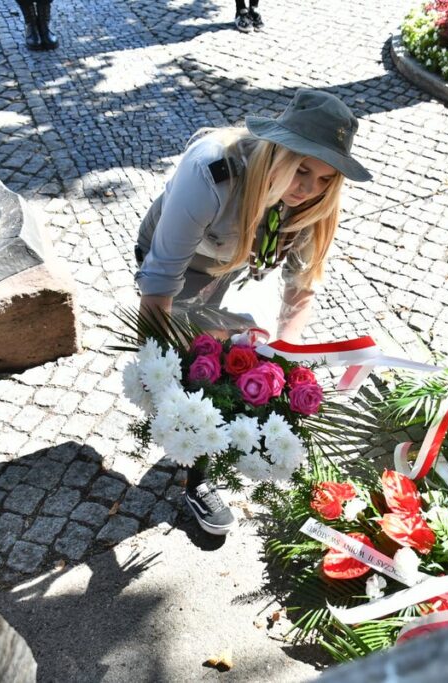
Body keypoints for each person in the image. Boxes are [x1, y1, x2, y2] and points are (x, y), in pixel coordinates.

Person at [134, 89, 371, 535]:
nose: (309, 190)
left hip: (234, 266)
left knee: (247, 370)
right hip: (181, 264)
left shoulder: (314, 202)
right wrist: (158, 375)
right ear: (276, 150)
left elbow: (301, 287)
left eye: (325, 179)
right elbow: (160, 282)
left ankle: (204, 460)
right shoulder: (210, 171)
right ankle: (195, 465)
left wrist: (285, 362)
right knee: (197, 370)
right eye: (301, 170)